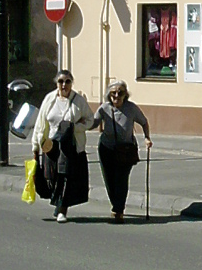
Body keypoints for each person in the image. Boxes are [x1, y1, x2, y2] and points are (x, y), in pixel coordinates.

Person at [32, 70, 92, 222]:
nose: (64, 85)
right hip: (52, 144)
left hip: (71, 145)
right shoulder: (49, 99)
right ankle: (58, 205)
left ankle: (62, 209)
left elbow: (90, 120)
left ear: (72, 83)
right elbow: (40, 124)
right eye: (61, 81)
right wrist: (36, 148)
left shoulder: (78, 100)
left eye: (67, 81)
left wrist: (75, 127)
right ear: (56, 83)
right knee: (53, 176)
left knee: (65, 176)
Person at [90, 80, 152, 222]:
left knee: (122, 179)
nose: (116, 96)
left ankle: (118, 210)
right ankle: (116, 204)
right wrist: (79, 125)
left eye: (120, 93)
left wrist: (147, 138)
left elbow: (143, 121)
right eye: (113, 93)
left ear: (125, 95)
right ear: (109, 95)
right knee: (110, 180)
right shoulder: (104, 108)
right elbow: (94, 123)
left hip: (126, 150)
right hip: (107, 148)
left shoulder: (131, 108)